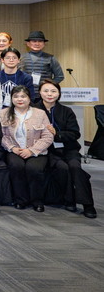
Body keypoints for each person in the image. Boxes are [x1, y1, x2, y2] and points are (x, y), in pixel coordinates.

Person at [35, 79, 96, 218]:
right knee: (62, 167)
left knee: (75, 167)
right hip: (48, 150)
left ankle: (88, 204)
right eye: (46, 91)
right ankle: (69, 199)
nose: (49, 94)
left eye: (53, 91)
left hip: (69, 149)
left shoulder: (66, 111)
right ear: (40, 93)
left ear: (59, 93)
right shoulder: (34, 110)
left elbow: (75, 133)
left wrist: (57, 134)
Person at [0, 85, 54, 211]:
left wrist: (32, 150)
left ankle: (37, 201)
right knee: (16, 166)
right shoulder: (3, 113)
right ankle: (20, 200)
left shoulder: (40, 113)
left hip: (36, 151)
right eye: (16, 96)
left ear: (29, 98)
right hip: (14, 150)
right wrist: (12, 148)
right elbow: (0, 136)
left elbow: (48, 136)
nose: (20, 99)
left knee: (34, 168)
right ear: (11, 99)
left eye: (23, 96)